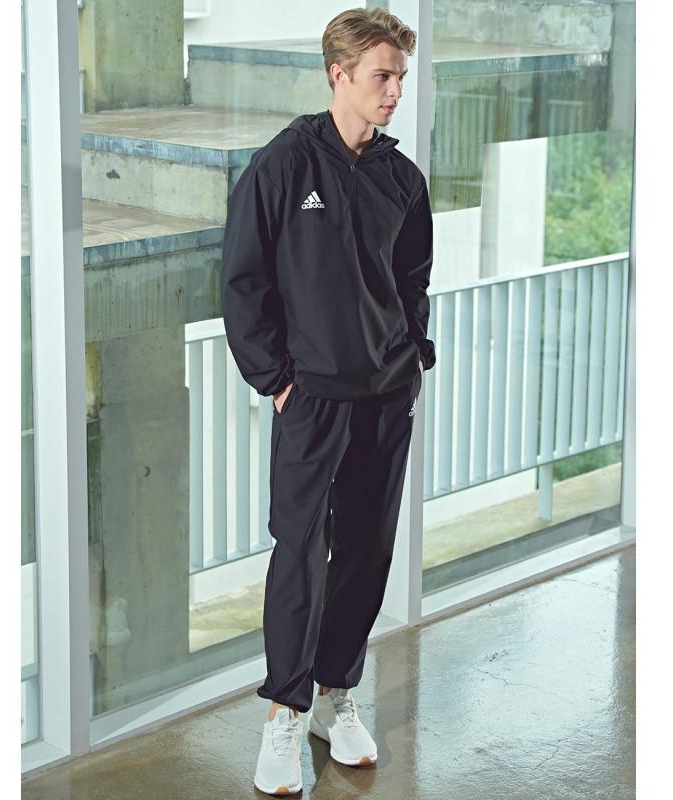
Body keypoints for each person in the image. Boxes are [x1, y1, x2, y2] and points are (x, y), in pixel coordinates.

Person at [220, 7, 435, 796]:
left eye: (400, 76)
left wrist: (415, 353)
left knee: (367, 551)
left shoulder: (401, 178)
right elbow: (243, 282)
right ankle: (285, 710)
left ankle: (335, 695)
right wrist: (275, 379)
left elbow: (412, 279)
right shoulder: (281, 168)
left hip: (385, 394)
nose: (394, 91)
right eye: (382, 75)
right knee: (301, 552)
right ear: (338, 74)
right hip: (310, 398)